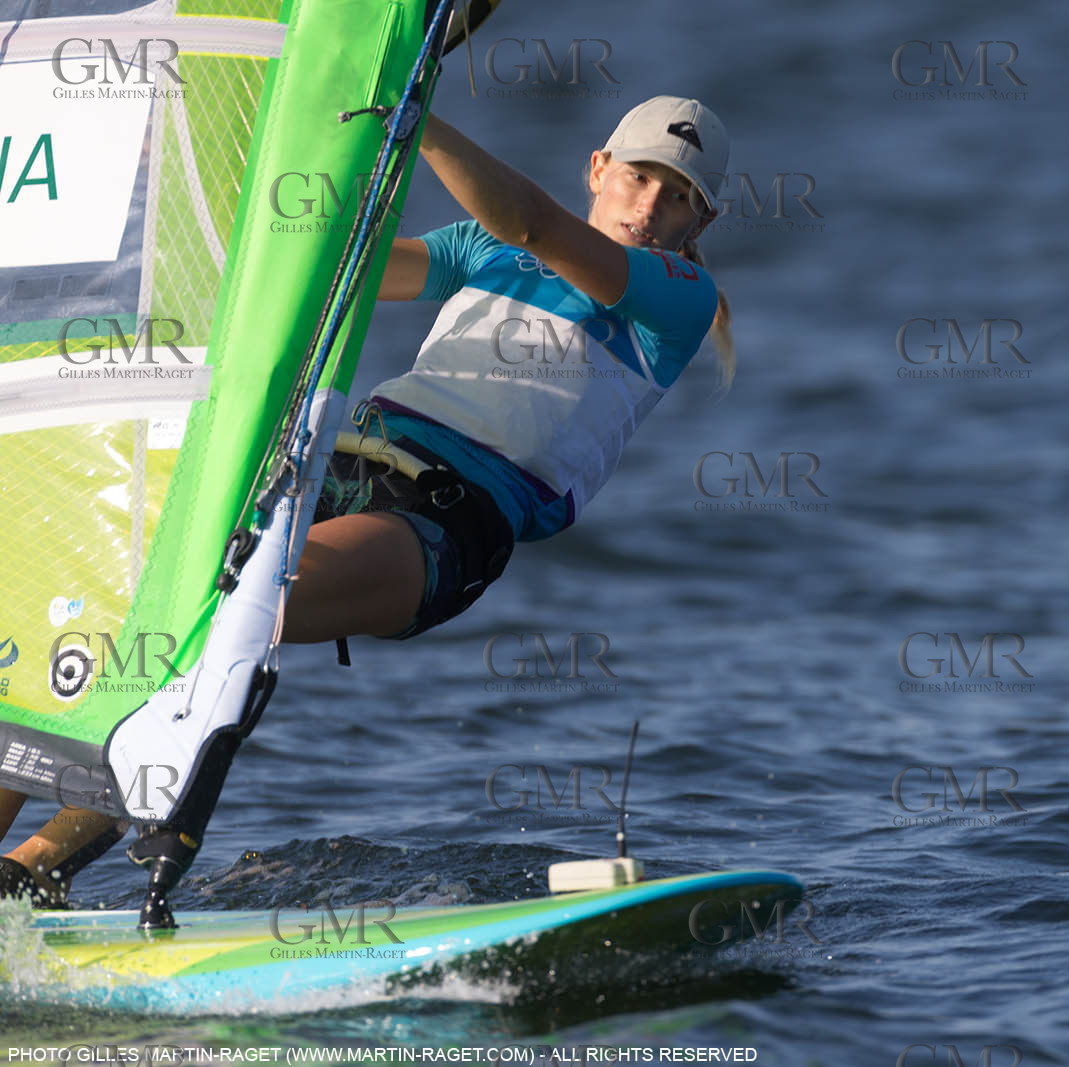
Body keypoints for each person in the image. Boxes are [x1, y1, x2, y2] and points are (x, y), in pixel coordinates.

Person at [0, 95, 734, 907]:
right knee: (97, 616)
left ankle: (31, 871)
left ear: (700, 221)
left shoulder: (676, 299)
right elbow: (335, 274)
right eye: (637, 178)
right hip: (334, 467)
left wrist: (418, 118)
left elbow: (533, 221)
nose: (648, 207)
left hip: (443, 523)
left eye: (677, 197)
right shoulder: (484, 249)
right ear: (599, 168)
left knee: (214, 626)